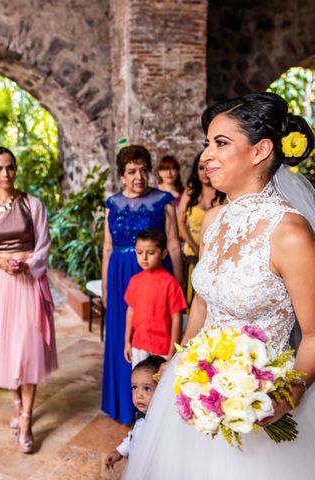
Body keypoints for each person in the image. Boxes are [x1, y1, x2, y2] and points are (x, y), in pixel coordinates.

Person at [123, 92, 315, 479]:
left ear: (261, 150)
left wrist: (286, 397)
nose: (206, 156)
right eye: (207, 144)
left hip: (262, 397)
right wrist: (178, 360)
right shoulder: (213, 221)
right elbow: (202, 303)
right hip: (197, 383)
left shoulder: (291, 234)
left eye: (221, 143)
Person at [0, 146, 58, 454]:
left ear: (16, 170)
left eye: (10, 168)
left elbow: (44, 245)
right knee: (6, 348)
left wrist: (26, 262)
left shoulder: (33, 205)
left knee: (27, 349)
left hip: (28, 283)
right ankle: (16, 401)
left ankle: (26, 418)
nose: (5, 174)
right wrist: (0, 263)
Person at [102, 144, 184, 425]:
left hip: (159, 277)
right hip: (120, 274)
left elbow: (173, 244)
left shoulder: (163, 200)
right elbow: (107, 247)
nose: (138, 176)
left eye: (143, 170)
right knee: (124, 339)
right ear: (122, 176)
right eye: (131, 171)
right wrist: (105, 286)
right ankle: (127, 407)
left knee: (159, 338)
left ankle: (160, 406)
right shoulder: (111, 204)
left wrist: (179, 283)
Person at [123, 229, 187, 368]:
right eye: (139, 253)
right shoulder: (135, 281)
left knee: (158, 386)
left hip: (162, 348)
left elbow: (177, 318)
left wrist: (173, 350)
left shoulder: (171, 283)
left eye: (151, 253)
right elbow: (131, 311)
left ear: (163, 254)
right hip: (138, 344)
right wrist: (127, 341)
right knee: (139, 383)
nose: (144, 258)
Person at [105, 356, 166, 471]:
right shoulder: (142, 414)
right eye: (135, 387)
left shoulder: (162, 425)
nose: (139, 395)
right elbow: (134, 435)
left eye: (147, 388)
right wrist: (120, 451)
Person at [177, 154, 226, 257]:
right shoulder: (190, 192)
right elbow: (180, 222)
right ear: (196, 171)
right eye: (201, 168)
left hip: (215, 250)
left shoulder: (224, 193)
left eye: (208, 168)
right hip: (191, 249)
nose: (204, 172)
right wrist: (193, 247)